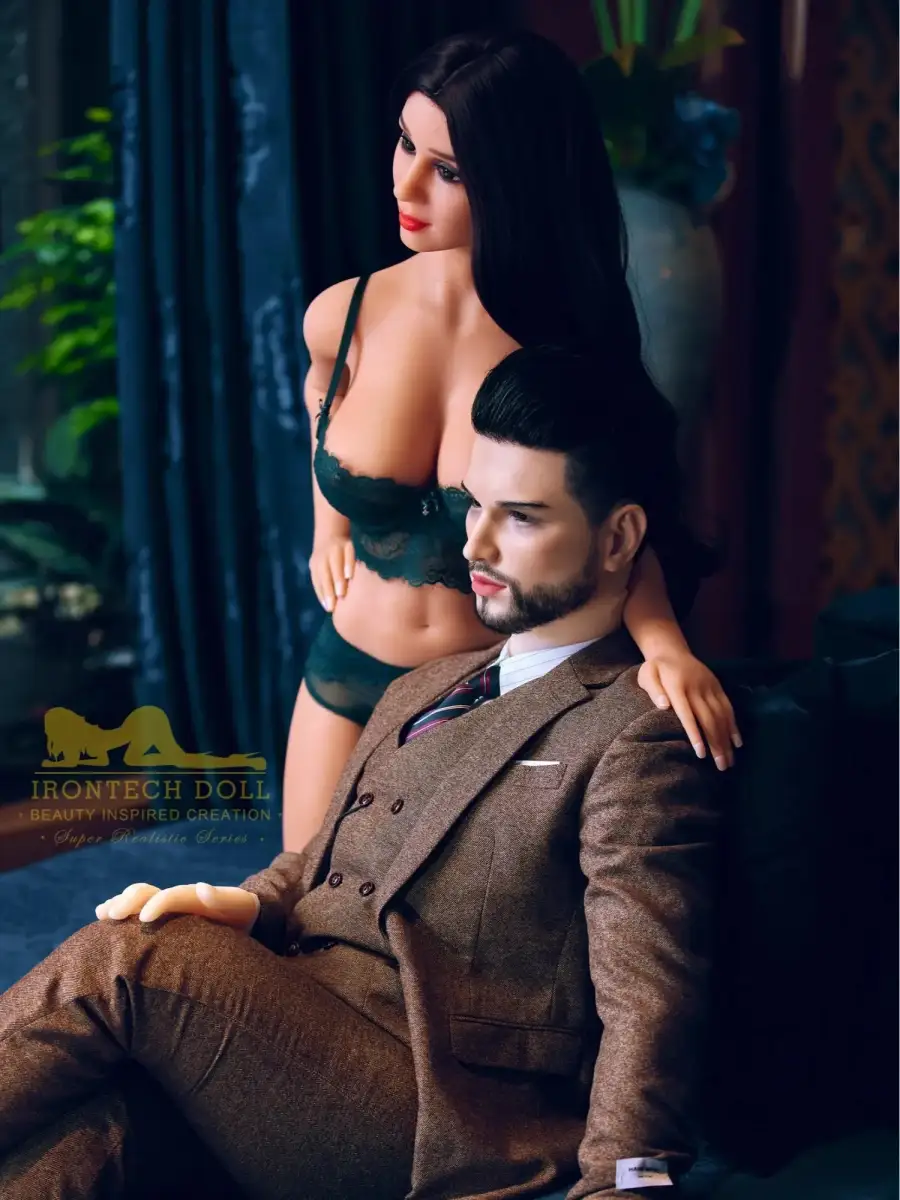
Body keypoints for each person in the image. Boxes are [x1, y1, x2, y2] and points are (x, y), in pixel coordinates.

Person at [0, 347, 720, 1199]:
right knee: (86, 1137)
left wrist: (625, 1181)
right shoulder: (421, 687)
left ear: (619, 538)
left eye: (522, 518)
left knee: (137, 958)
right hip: (284, 1040)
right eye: (474, 504)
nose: (475, 542)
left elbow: (650, 992)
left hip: (430, 1111)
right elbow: (320, 865)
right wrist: (246, 905)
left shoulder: (638, 731)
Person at [289, 27, 740, 852]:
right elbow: (323, 395)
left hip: (478, 697)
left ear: (514, 179)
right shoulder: (343, 313)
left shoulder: (561, 355)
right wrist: (330, 527)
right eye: (404, 143)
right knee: (292, 896)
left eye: (449, 170)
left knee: (416, 922)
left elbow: (618, 523)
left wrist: (666, 646)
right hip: (341, 671)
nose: (406, 183)